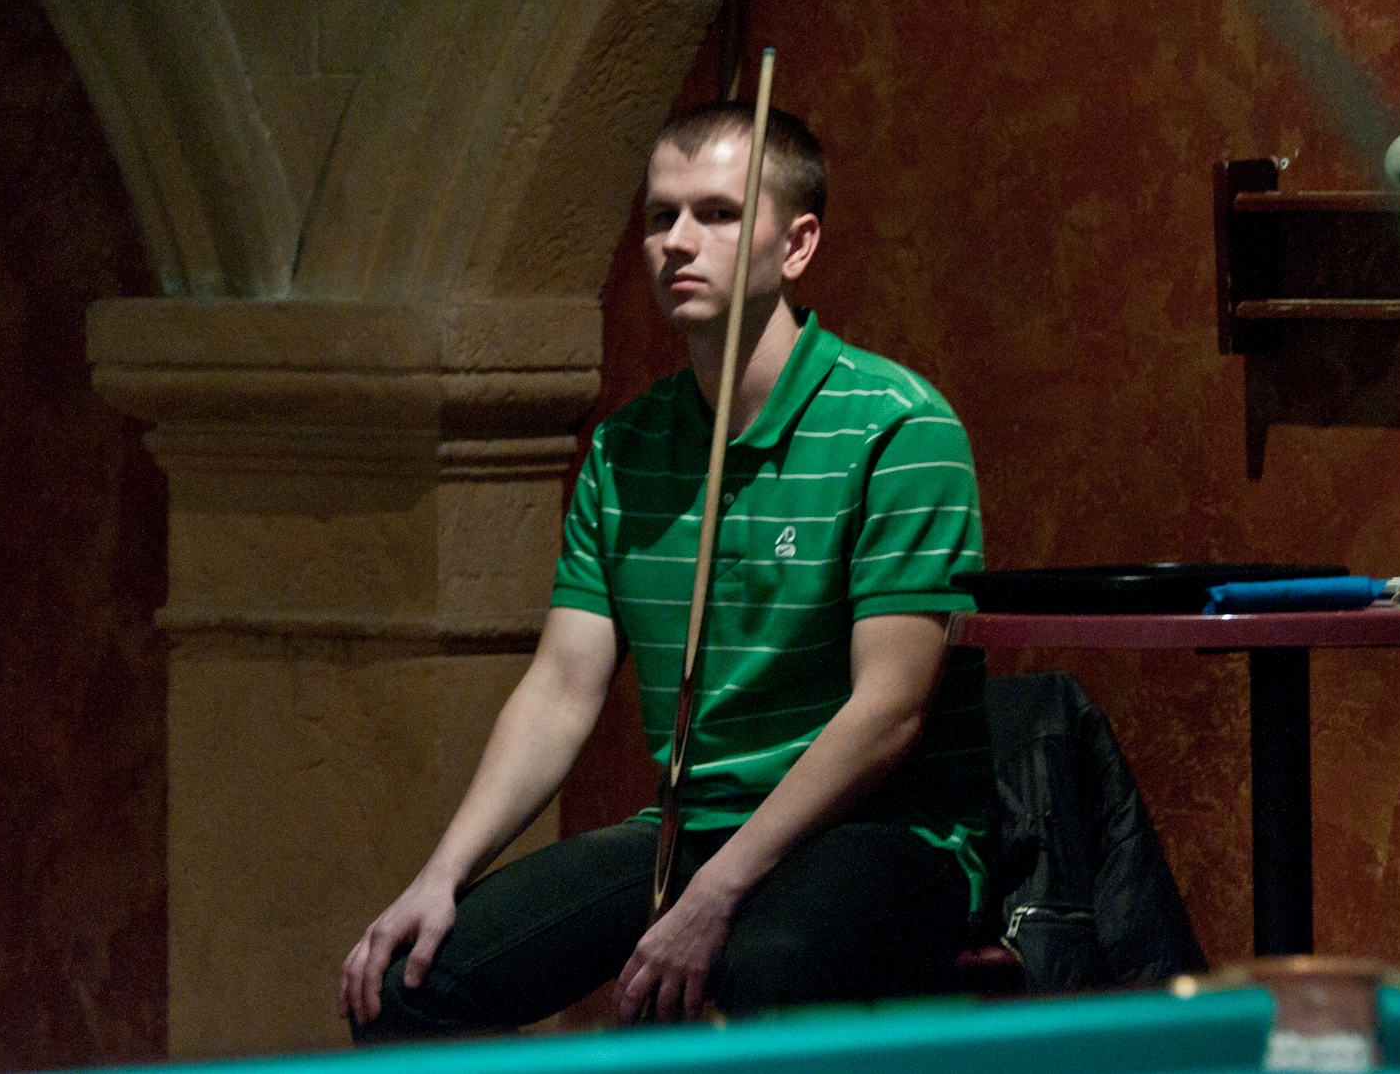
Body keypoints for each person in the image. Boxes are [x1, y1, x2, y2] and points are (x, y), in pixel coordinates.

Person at [339, 101, 993, 1034]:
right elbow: (560, 691)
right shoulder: (627, 450)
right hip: (691, 829)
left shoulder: (898, 426)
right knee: (410, 982)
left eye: (718, 214)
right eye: (660, 216)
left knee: (767, 969)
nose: (678, 242)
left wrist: (717, 894)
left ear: (798, 245)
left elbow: (887, 711)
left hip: (885, 830)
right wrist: (441, 874)